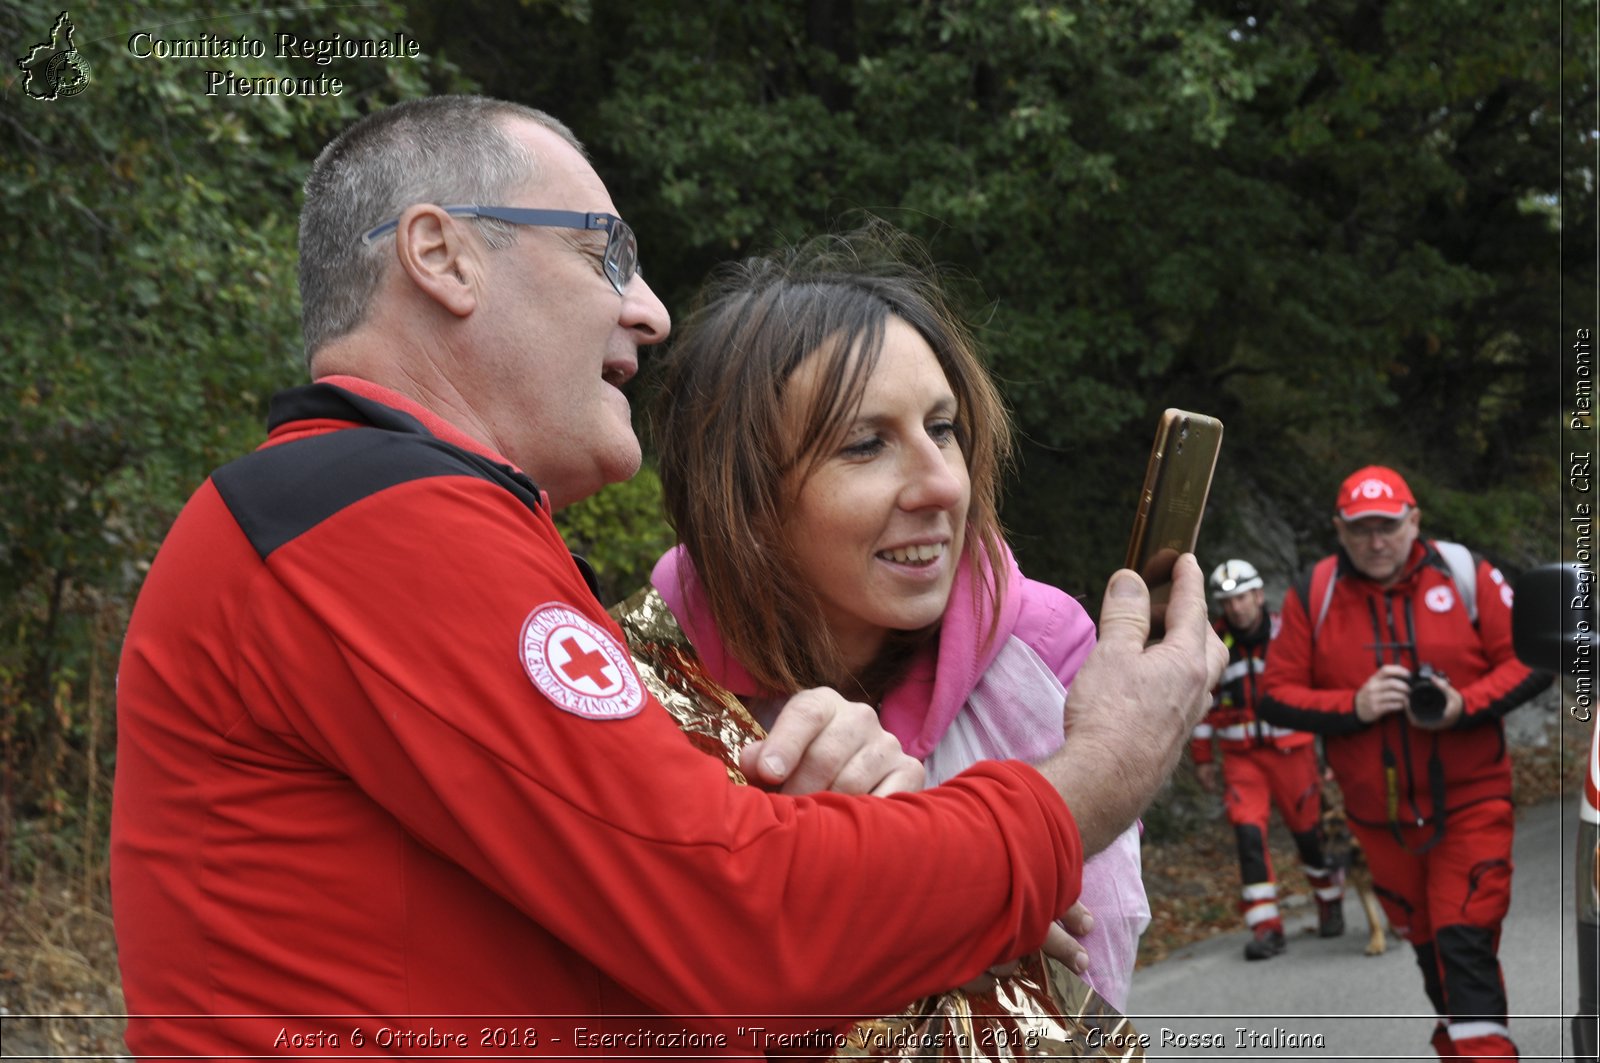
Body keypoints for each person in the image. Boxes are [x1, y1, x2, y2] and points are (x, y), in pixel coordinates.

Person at [108, 94, 1225, 1058]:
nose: (647, 308)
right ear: (441, 255)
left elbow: (657, 951)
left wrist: (920, 891)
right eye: (605, 252)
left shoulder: (414, 519)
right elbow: (740, 919)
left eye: (944, 430)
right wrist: (1097, 773)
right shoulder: (369, 516)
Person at [637, 227, 1148, 1010]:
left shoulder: (1043, 645)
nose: (943, 484)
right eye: (866, 444)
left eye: (941, 428)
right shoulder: (643, 681)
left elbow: (1094, 976)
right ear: (740, 498)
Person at [1258, 465, 1552, 1063]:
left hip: (1473, 802)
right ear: (1340, 529)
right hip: (1380, 820)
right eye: (1361, 529)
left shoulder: (1468, 574)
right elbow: (1275, 692)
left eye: (1388, 527)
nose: (1376, 542)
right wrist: (1355, 704)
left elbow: (1531, 659)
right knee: (1429, 950)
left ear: (1413, 520)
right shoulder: (1314, 593)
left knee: (1463, 936)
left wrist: (1462, 704)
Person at [1190, 559, 1343, 961]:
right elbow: (1201, 703)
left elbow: (1320, 695)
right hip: (1243, 760)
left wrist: (1330, 752)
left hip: (1294, 754)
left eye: (1242, 597)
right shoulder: (1214, 642)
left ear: (1258, 595)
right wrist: (1203, 758)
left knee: (1309, 834)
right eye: (1228, 600)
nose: (1236, 607)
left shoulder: (1287, 634)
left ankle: (1330, 899)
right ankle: (1266, 928)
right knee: (1248, 836)